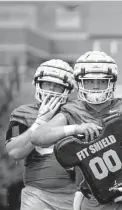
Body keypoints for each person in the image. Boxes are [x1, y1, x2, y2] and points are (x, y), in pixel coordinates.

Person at [30, 51, 122, 210]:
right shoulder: (72, 111)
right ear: (79, 83)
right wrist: (75, 128)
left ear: (112, 82)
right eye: (89, 81)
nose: (95, 86)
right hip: (93, 197)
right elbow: (38, 137)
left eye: (101, 81)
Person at [5, 59, 77, 210]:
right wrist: (39, 122)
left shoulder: (76, 112)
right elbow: (14, 151)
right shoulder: (23, 113)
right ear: (38, 84)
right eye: (47, 83)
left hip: (74, 194)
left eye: (57, 86)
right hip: (37, 194)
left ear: (67, 89)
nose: (51, 89)